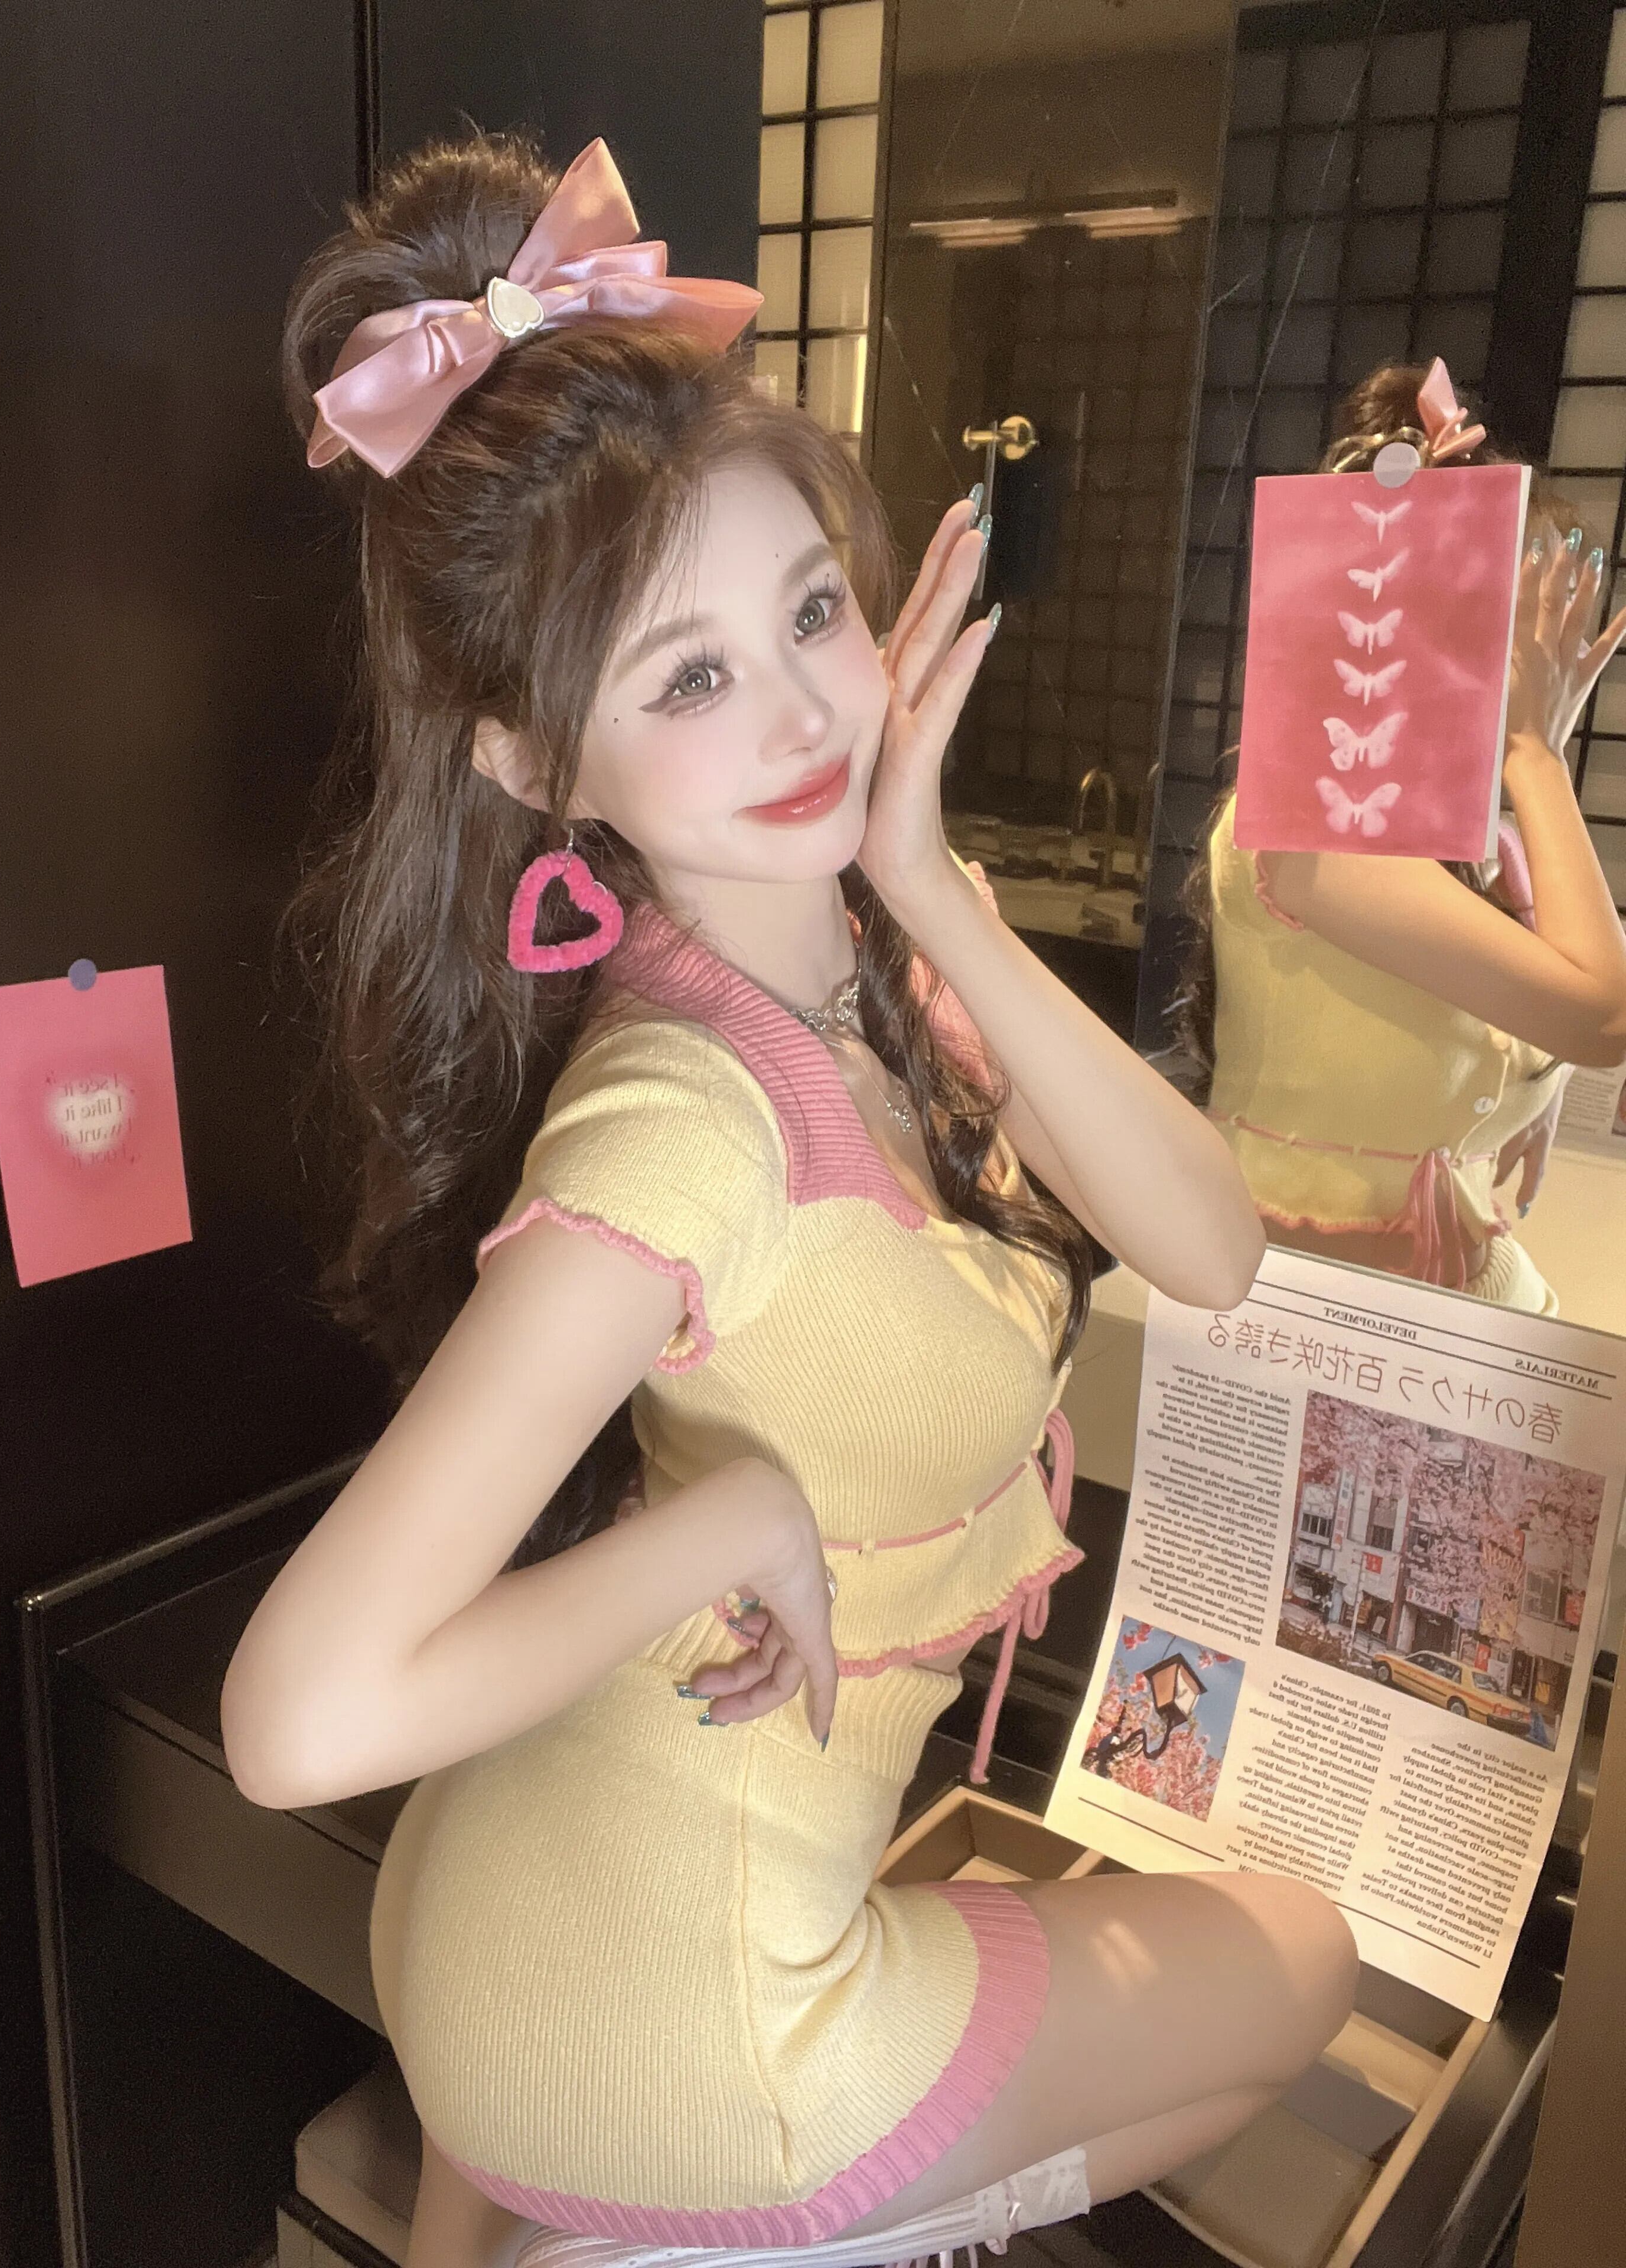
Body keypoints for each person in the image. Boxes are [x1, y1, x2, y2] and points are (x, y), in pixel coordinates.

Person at [220, 133, 1356, 2268]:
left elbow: (1214, 1246)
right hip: (685, 2015)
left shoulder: (870, 965)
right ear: (531, 766)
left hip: (531, 1891)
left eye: (811, 612)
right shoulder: (684, 1123)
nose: (807, 710)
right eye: (687, 677)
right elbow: (297, 1720)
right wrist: (724, 1523)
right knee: (1303, 1963)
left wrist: (928, 879)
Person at [1176, 362, 1626, 1313]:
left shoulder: (1475, 845)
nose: (1554, 657)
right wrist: (1536, 755)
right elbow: (1603, 1017)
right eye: (1529, 627)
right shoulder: (1310, 828)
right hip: (1320, 1314)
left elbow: (1543, 1020)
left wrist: (1534, 1090)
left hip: (1434, 1303)